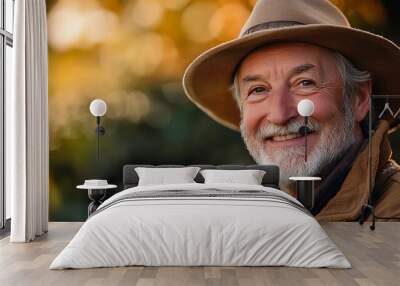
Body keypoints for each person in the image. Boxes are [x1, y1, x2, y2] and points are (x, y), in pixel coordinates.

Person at [182, 0, 400, 221]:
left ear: (358, 99)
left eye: (305, 83)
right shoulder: (244, 223)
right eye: (258, 89)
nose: (279, 115)